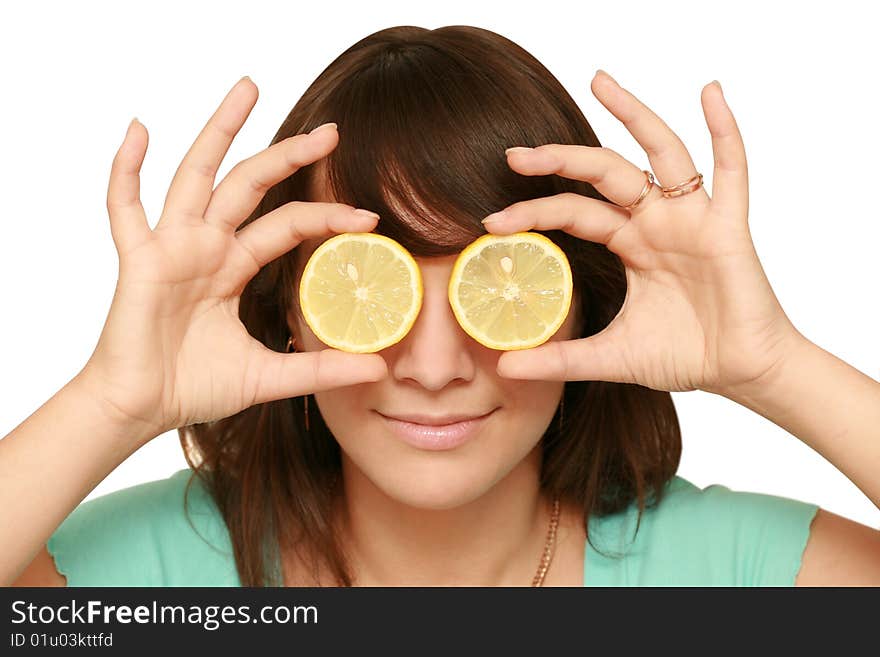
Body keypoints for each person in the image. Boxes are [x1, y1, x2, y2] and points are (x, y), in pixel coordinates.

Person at [3, 25, 879, 588]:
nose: (433, 367)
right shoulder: (148, 581)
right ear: (292, 312)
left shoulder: (730, 575)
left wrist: (771, 363)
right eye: (369, 290)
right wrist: (114, 400)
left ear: (579, 304)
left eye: (493, 288)